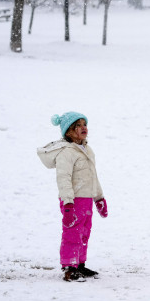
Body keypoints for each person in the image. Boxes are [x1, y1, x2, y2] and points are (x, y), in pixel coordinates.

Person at [37, 111, 108, 282]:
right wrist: (67, 203)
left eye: (85, 124)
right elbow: (63, 179)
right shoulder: (66, 152)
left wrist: (99, 198)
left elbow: (93, 175)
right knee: (72, 233)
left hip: (86, 199)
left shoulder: (87, 149)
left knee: (84, 232)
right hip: (73, 200)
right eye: (79, 125)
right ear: (69, 130)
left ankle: (80, 264)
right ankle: (69, 267)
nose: (84, 128)